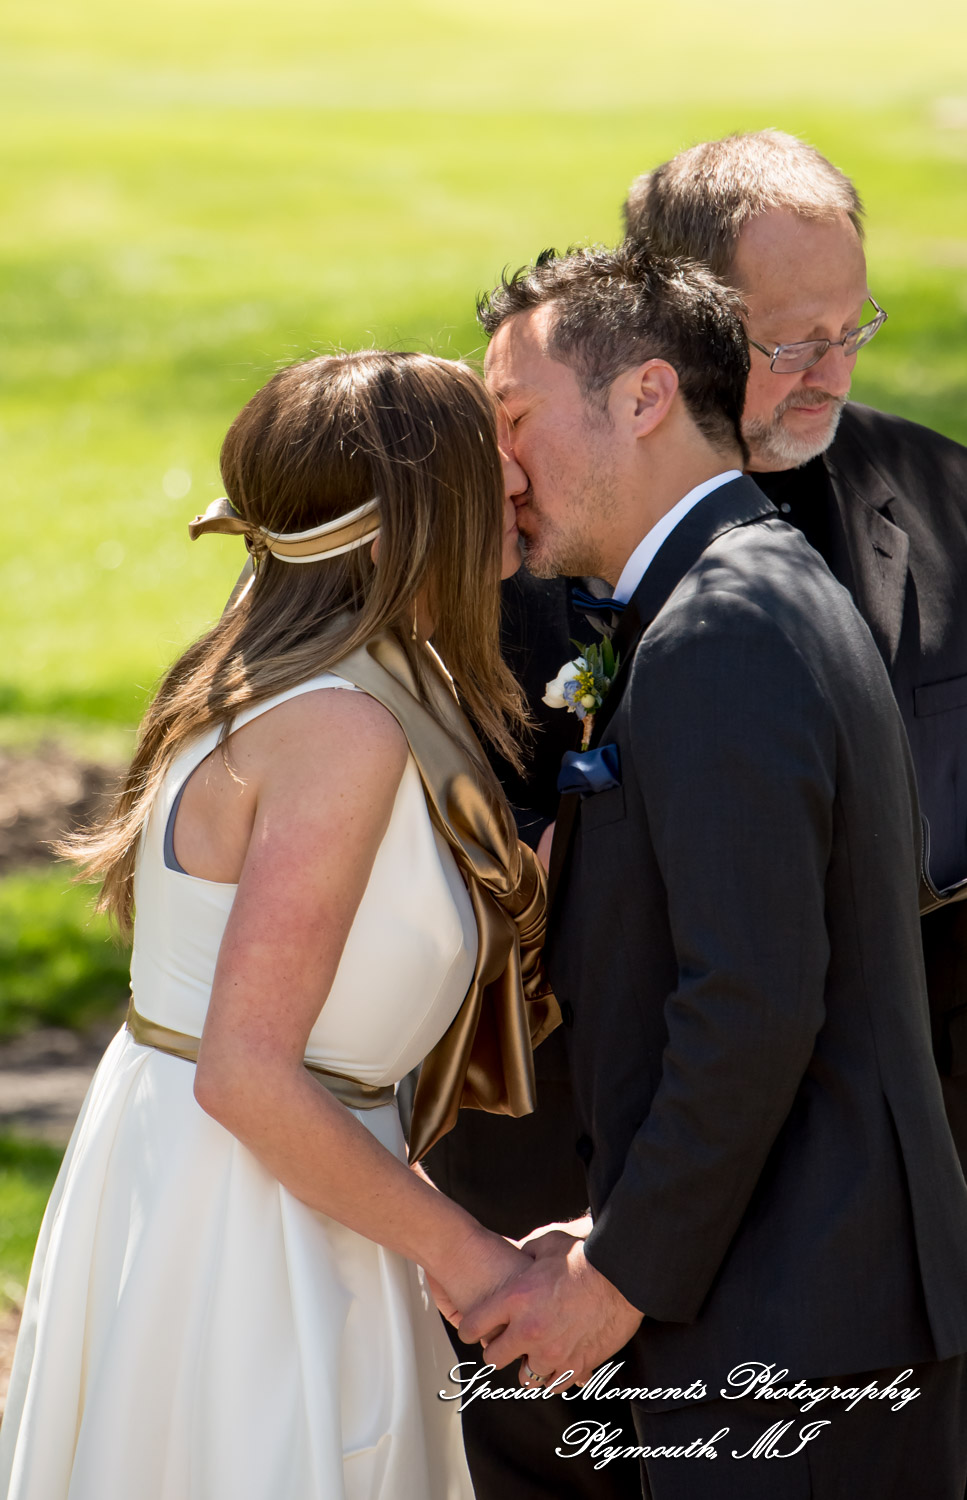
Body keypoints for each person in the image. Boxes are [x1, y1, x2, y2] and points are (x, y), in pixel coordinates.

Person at [0, 350, 559, 1500]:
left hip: (250, 1186)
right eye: (486, 460)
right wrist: (476, 1263)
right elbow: (247, 1075)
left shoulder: (314, 676)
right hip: (255, 1231)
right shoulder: (340, 729)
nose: (517, 475)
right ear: (416, 514)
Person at [461, 242, 967, 1498]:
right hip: (785, 1286)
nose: (498, 468)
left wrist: (618, 1273)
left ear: (639, 398)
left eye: (513, 418)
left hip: (797, 1317)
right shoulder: (718, 593)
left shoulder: (723, 627)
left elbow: (749, 1005)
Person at [624, 129, 967, 1166]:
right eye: (789, 344)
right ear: (679, 328)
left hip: (927, 1131)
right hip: (657, 1130)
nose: (834, 372)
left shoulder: (944, 493)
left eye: (849, 325)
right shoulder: (547, 531)